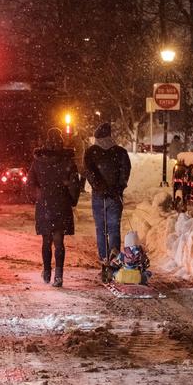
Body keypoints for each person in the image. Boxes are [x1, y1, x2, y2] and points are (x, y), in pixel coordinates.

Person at [27, 128, 81, 287]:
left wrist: (36, 197)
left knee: (46, 240)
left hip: (44, 204)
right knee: (59, 241)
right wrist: (72, 200)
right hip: (61, 203)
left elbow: (30, 184)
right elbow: (74, 184)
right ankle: (58, 274)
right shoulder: (68, 162)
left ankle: (46, 272)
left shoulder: (38, 161)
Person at [83, 122, 131, 280]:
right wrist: (118, 188)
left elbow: (88, 172)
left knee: (101, 229)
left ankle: (104, 262)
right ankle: (114, 260)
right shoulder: (120, 152)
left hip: (99, 196)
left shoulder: (91, 152)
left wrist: (99, 186)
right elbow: (125, 171)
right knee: (114, 228)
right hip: (115, 197)